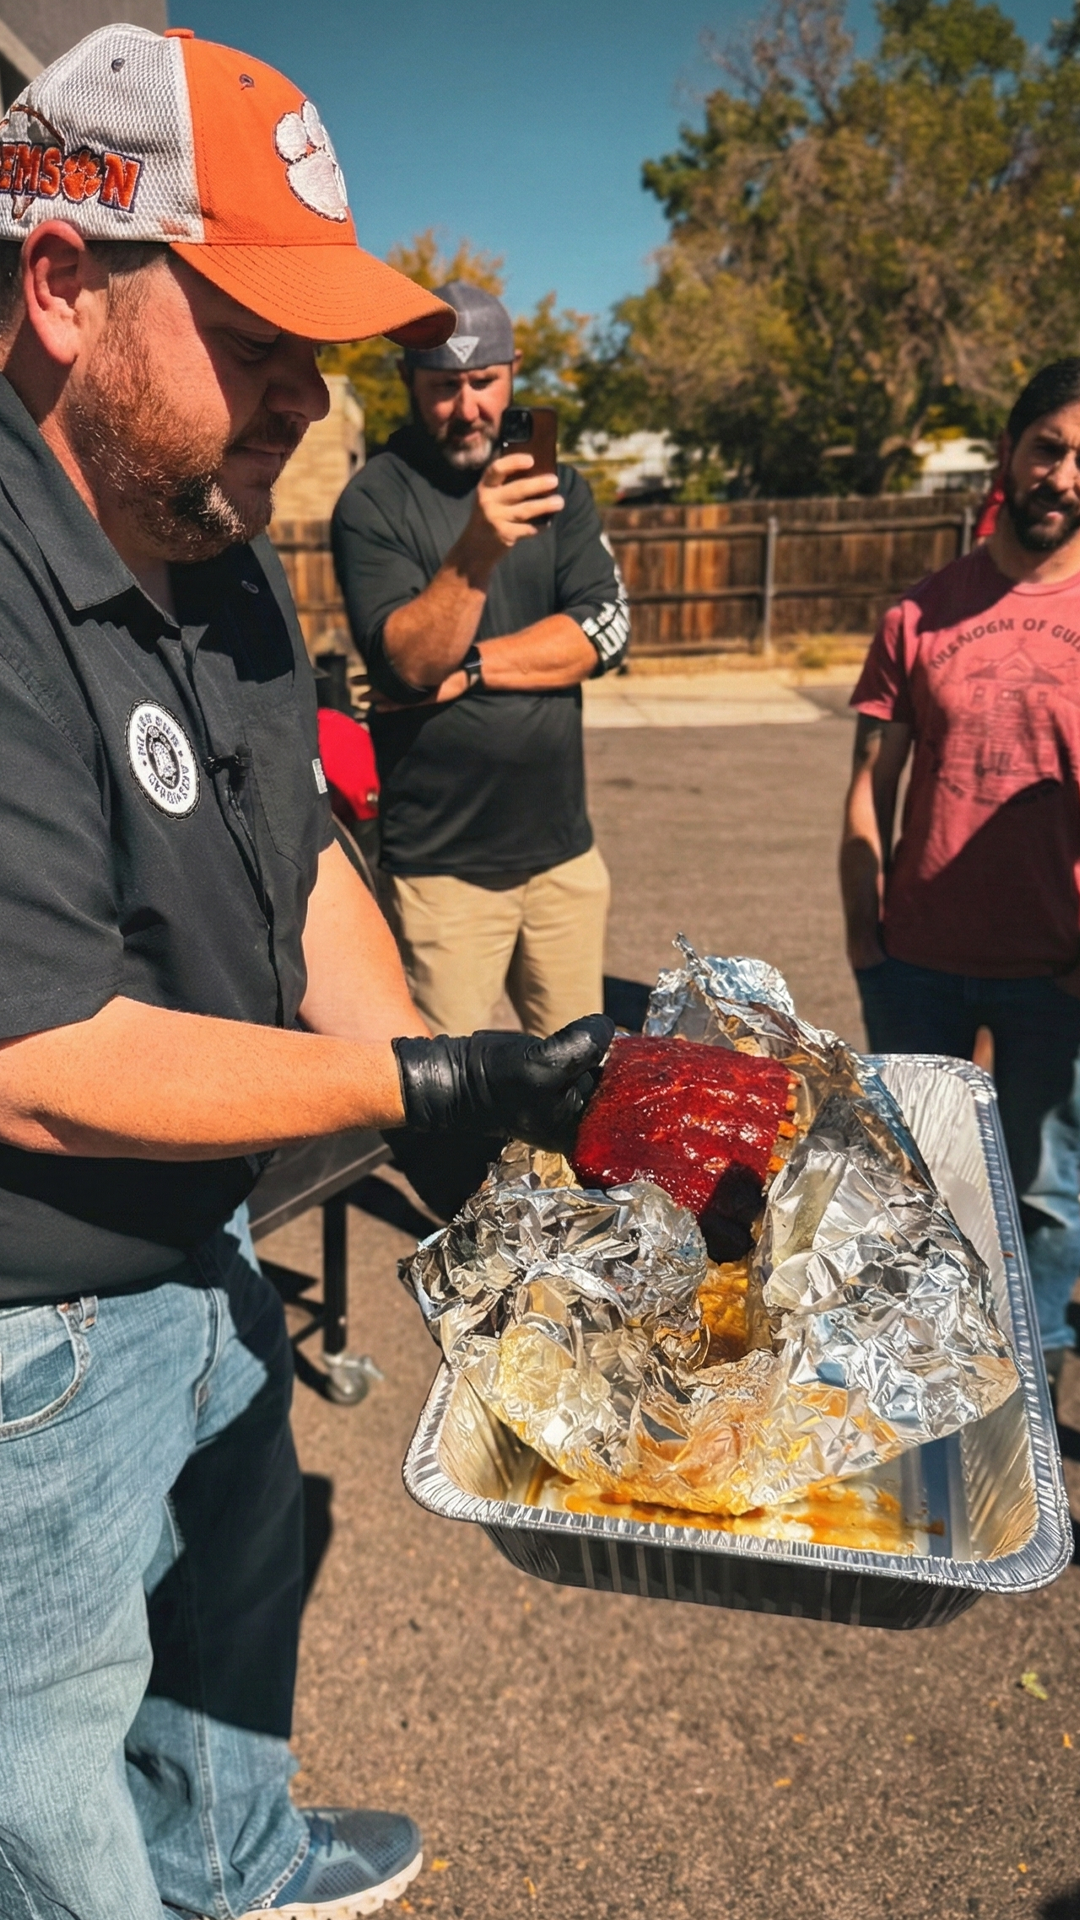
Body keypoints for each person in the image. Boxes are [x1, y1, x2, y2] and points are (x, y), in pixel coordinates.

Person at [0, 26, 613, 1920]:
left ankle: (236, 1855)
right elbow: (32, 1053)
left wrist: (481, 1117)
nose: (305, 396)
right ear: (61, 285)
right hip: (25, 1324)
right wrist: (417, 1093)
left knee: (241, 1571)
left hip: (199, 1242)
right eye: (254, 335)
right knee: (45, 1770)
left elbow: (310, 889)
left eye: (322, 350)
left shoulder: (218, 547)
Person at [840, 357, 1080, 1389]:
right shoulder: (919, 615)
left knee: (1044, 1200)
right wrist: (865, 940)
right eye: (1051, 447)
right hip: (918, 965)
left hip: (1054, 974)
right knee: (910, 1190)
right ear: (1009, 454)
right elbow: (867, 788)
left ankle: (1023, 1391)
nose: (1065, 476)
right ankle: (917, 1392)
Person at [331, 280, 630, 1040]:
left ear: (514, 372)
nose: (466, 408)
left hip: (562, 857)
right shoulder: (374, 501)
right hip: (442, 870)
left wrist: (472, 671)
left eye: (483, 382)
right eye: (442, 387)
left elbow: (604, 630)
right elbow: (407, 667)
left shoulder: (557, 487)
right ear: (407, 381)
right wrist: (479, 548)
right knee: (449, 1106)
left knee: (582, 1084)